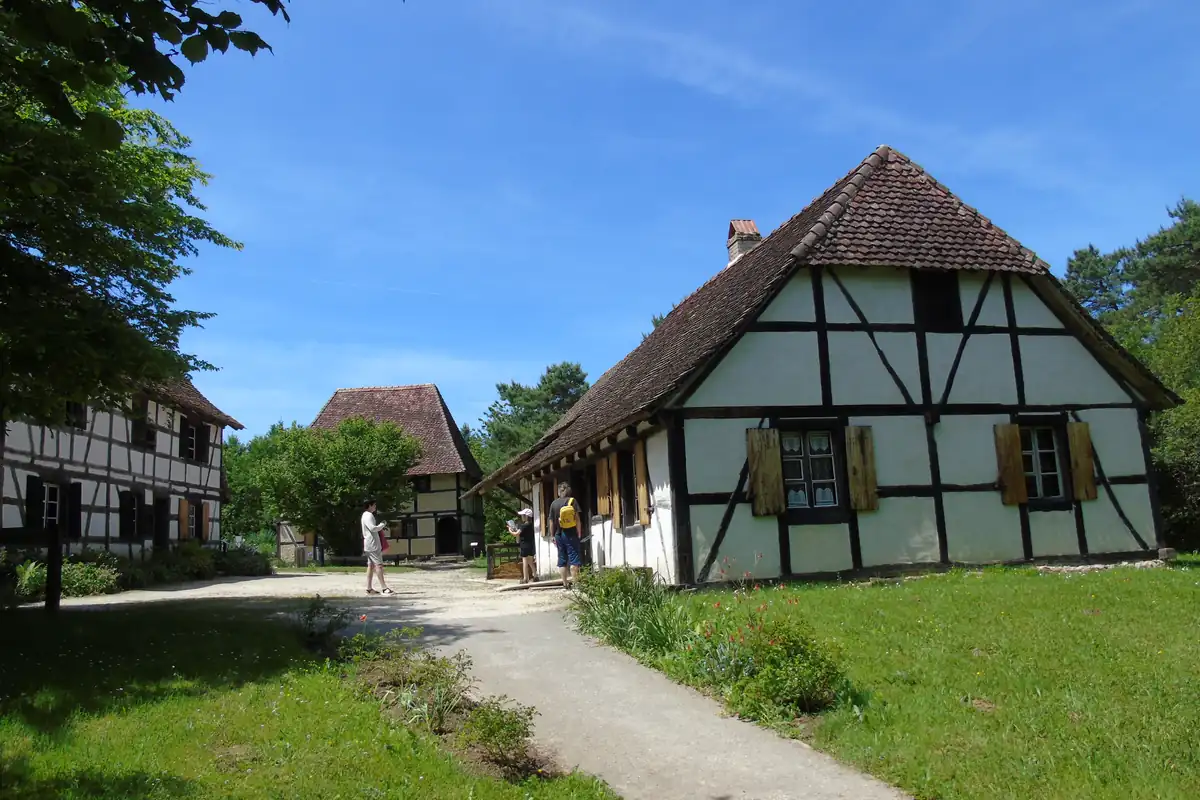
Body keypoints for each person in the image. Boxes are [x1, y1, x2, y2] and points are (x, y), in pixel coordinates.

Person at [548, 482, 583, 587]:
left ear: (559, 492)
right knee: (574, 558)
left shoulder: (553, 504)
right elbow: (577, 519)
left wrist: (552, 535)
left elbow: (551, 521)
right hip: (571, 533)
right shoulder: (572, 501)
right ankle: (576, 584)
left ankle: (565, 584)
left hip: (559, 534)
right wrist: (579, 532)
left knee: (562, 558)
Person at [361, 499, 395, 596]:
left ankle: (369, 588)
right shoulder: (368, 515)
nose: (375, 507)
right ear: (370, 505)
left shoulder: (365, 515)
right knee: (378, 565)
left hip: (369, 544)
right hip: (373, 545)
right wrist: (382, 525)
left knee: (370, 566)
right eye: (374, 505)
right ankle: (384, 588)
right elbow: (373, 528)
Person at [512, 507, 536, 584]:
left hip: (524, 545)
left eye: (523, 515)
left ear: (526, 516)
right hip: (531, 545)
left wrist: (510, 530)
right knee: (530, 561)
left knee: (525, 562)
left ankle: (525, 578)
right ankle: (535, 576)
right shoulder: (531, 525)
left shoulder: (523, 526)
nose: (522, 517)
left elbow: (516, 534)